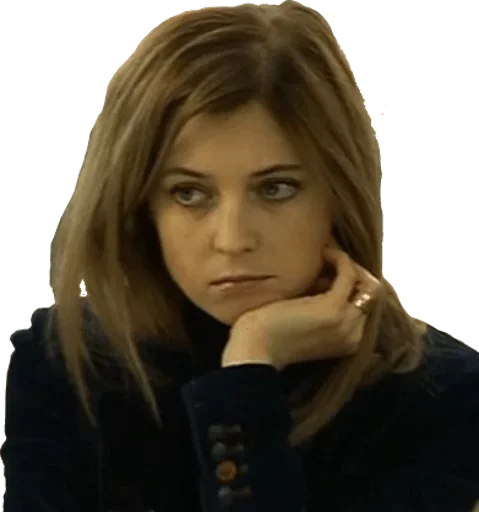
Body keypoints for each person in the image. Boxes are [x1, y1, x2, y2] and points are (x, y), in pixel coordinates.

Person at [2, 2, 478, 511]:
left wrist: (248, 371)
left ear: (340, 196)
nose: (232, 240)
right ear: (141, 209)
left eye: (276, 188)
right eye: (189, 193)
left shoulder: (442, 397)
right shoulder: (66, 364)